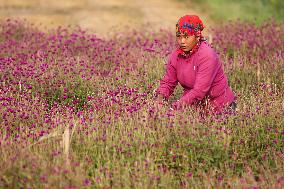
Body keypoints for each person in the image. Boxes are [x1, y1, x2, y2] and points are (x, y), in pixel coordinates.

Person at [155, 15, 236, 114]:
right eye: (179, 36)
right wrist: (159, 101)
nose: (182, 41)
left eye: (186, 37)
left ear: (197, 36)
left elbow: (199, 91)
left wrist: (175, 108)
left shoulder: (207, 56)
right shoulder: (176, 55)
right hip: (194, 109)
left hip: (221, 109)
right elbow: (168, 82)